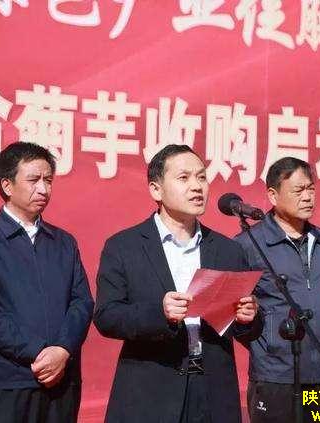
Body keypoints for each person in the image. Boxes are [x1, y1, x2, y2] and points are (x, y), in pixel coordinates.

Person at [94, 144, 260, 423]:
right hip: (150, 394)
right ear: (156, 190)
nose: (197, 186)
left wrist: (248, 317)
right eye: (184, 178)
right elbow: (107, 316)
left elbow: (249, 331)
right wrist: (160, 314)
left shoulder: (228, 250)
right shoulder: (124, 246)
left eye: (202, 177)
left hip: (212, 393)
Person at [0, 142, 94, 423]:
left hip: (61, 381)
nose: (43, 189)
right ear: (7, 185)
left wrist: (62, 350)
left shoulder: (64, 242)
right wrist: (38, 351)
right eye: (33, 180)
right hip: (7, 382)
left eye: (48, 180)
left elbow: (82, 302)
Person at [235, 157, 320, 422]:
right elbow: (236, 314)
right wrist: (267, 342)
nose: (307, 197)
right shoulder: (249, 244)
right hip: (274, 376)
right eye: (298, 190)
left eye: (311, 189)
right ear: (273, 195)